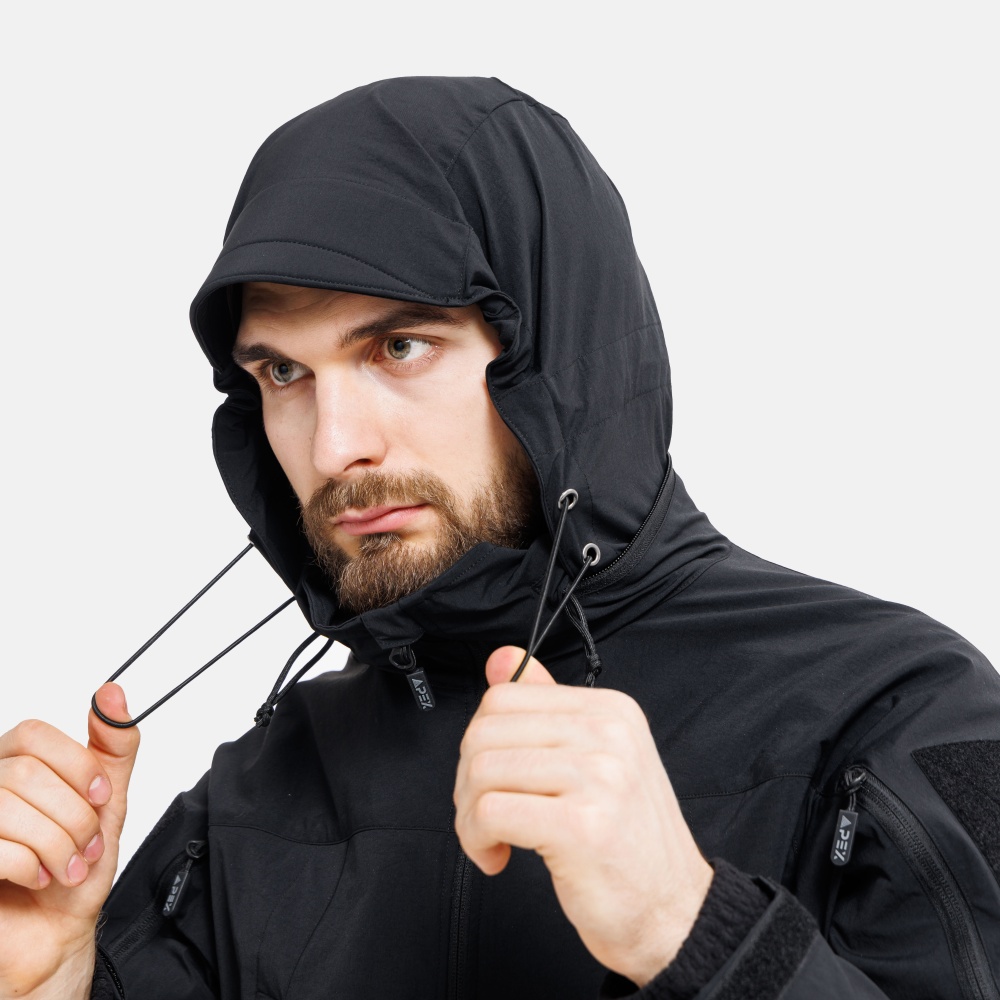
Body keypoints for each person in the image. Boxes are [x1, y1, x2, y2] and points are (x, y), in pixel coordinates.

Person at [1, 76, 997, 1000]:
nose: (335, 447)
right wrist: (47, 983)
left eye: (398, 346)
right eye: (285, 375)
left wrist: (694, 927)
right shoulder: (253, 798)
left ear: (552, 355)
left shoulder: (898, 707)